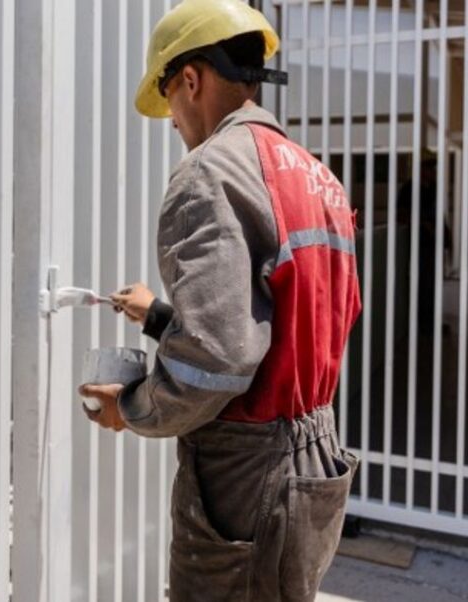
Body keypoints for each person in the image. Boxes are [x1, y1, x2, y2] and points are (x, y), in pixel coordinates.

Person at [78, 1, 362, 600]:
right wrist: (159, 316)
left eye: (171, 102)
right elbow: (283, 322)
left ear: (190, 79)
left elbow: (217, 362)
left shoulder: (210, 172)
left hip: (247, 477)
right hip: (314, 459)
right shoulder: (318, 177)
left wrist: (129, 407)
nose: (173, 122)